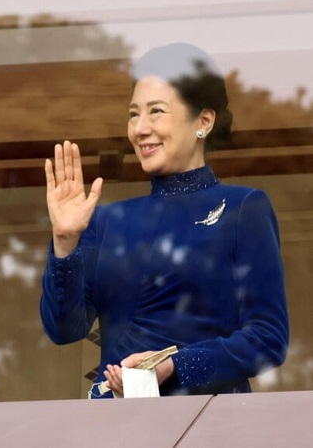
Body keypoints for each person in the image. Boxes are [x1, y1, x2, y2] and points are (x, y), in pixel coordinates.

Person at [40, 43, 289, 398]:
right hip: (117, 420)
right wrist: (64, 243)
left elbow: (268, 338)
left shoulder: (242, 208)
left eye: (156, 111)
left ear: (203, 121)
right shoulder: (106, 220)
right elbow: (65, 330)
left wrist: (175, 366)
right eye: (133, 114)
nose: (140, 128)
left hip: (208, 417)